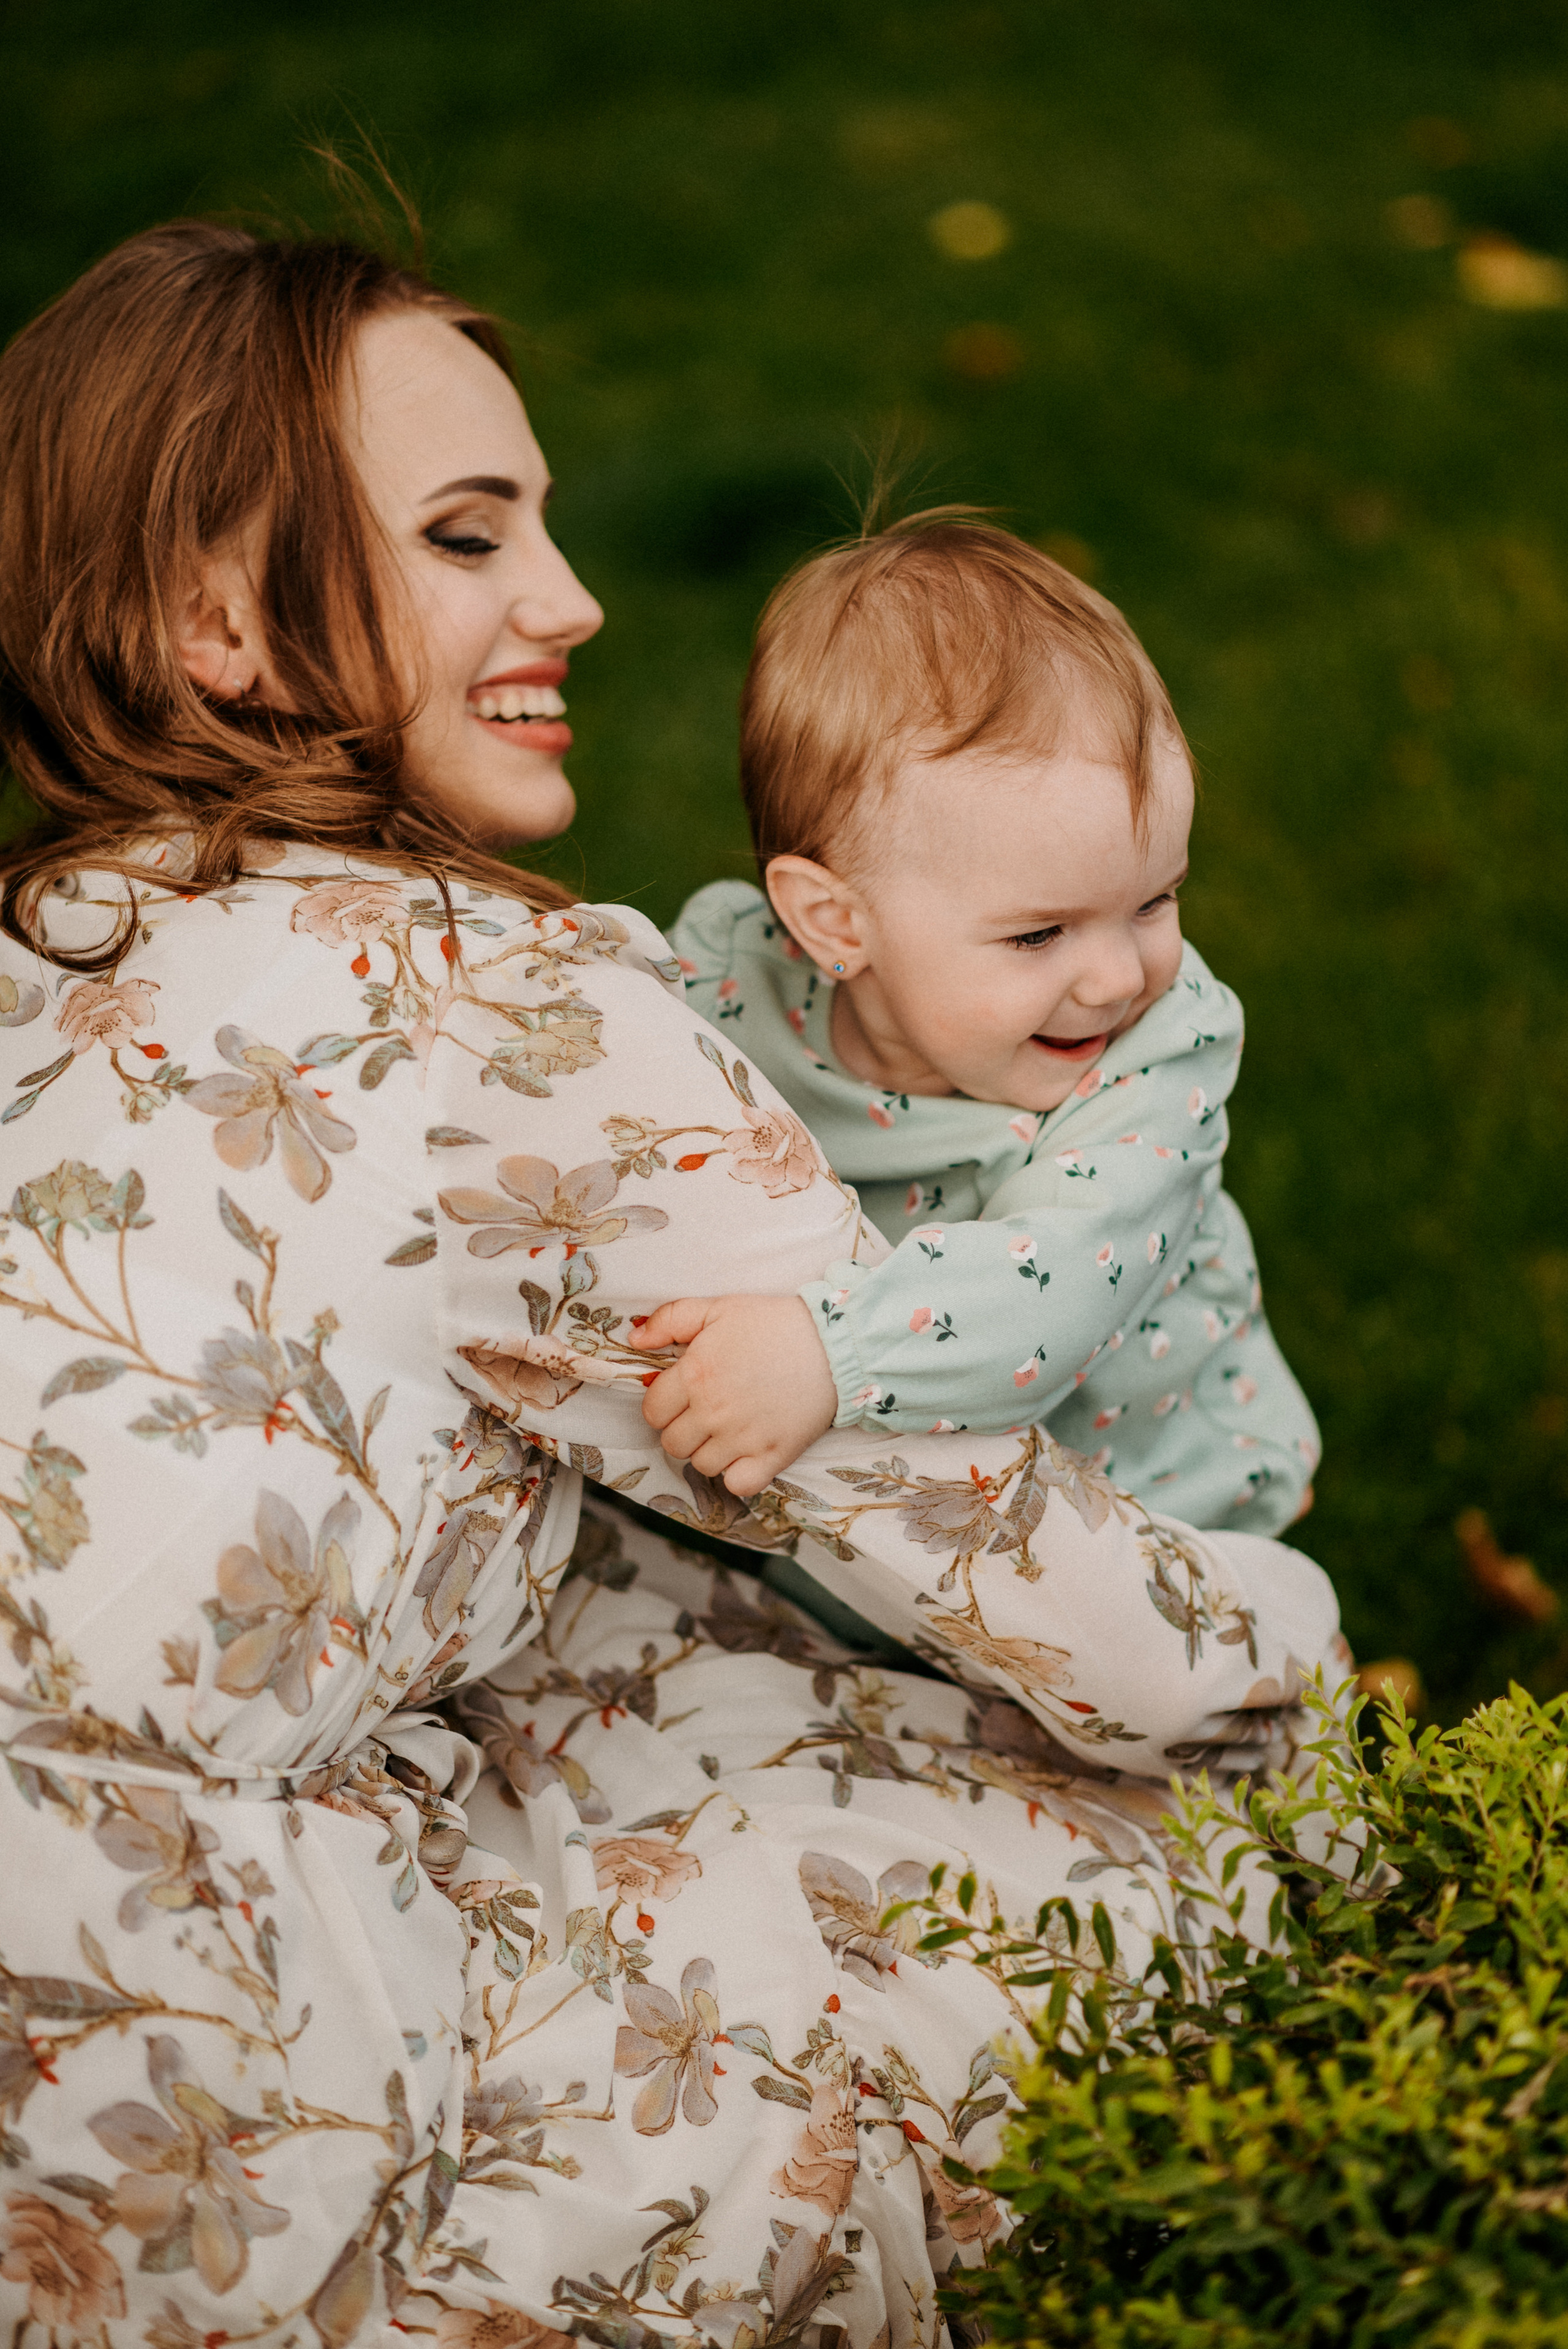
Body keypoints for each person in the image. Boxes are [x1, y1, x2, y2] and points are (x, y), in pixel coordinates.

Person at [0, 214, 1344, 2349]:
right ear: (219, 624)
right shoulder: (498, 1011)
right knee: (1209, 1862)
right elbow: (1066, 1604)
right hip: (227, 2148)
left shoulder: (56, 952)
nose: (575, 601)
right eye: (466, 536)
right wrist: (1303, 1662)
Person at [637, 520, 1319, 1532]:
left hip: (1150, 1501)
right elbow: (604, 1071)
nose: (1118, 973)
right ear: (835, 923)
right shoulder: (733, 979)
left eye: (1155, 900)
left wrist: (829, 1355)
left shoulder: (1163, 1052)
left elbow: (1051, 1291)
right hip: (893, 1505)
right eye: (1040, 933)